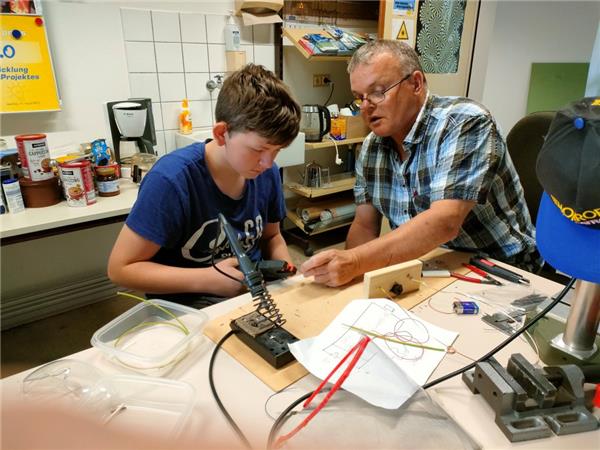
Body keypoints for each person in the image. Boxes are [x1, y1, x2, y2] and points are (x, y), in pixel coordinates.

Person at [301, 40, 539, 287]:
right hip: (428, 264)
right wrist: (344, 278)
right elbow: (364, 225)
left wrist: (356, 261)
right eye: (359, 97)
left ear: (415, 83)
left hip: (499, 268)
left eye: (378, 91)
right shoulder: (372, 147)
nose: (366, 106)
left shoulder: (465, 122)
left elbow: (444, 222)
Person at [108, 64, 301, 307]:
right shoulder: (171, 181)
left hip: (252, 295)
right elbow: (120, 269)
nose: (268, 162)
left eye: (277, 150)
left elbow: (272, 236)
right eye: (258, 149)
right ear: (221, 134)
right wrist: (206, 280)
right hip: (188, 304)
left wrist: (286, 273)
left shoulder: (267, 173)